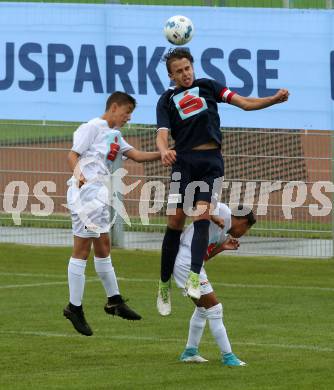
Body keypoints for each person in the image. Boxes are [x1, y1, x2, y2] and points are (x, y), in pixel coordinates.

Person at [156, 48, 289, 315]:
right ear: (171, 76)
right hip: (182, 165)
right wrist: (163, 150)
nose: (185, 74)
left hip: (210, 164)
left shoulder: (208, 86)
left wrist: (272, 100)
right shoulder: (166, 100)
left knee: (202, 216)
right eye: (179, 71)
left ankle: (194, 277)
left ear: (192, 67)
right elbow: (161, 133)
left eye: (187, 68)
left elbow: (244, 103)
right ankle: (163, 285)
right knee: (174, 222)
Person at [63, 91, 160, 336]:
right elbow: (72, 154)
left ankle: (114, 301)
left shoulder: (115, 134)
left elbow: (136, 155)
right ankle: (74, 307)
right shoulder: (92, 127)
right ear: (114, 107)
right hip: (85, 195)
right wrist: (79, 175)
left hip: (98, 196)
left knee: (104, 246)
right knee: (82, 250)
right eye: (127, 112)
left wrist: (166, 153)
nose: (129, 117)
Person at [174, 203, 256, 366]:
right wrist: (213, 216)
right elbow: (199, 205)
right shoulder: (223, 211)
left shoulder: (221, 235)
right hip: (185, 261)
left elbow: (203, 257)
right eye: (246, 230)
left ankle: (190, 352)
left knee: (203, 309)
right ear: (242, 222)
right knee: (214, 308)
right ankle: (228, 356)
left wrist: (222, 248)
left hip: (188, 263)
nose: (243, 234)